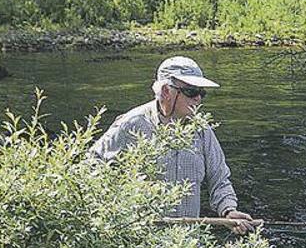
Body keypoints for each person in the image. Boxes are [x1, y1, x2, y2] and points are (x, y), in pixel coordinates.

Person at [89, 56, 260, 234]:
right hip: (139, 244)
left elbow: (220, 178)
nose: (198, 99)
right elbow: (92, 168)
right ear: (165, 91)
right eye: (191, 91)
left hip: (186, 245)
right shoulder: (131, 124)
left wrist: (228, 211)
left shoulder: (202, 130)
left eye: (202, 92)